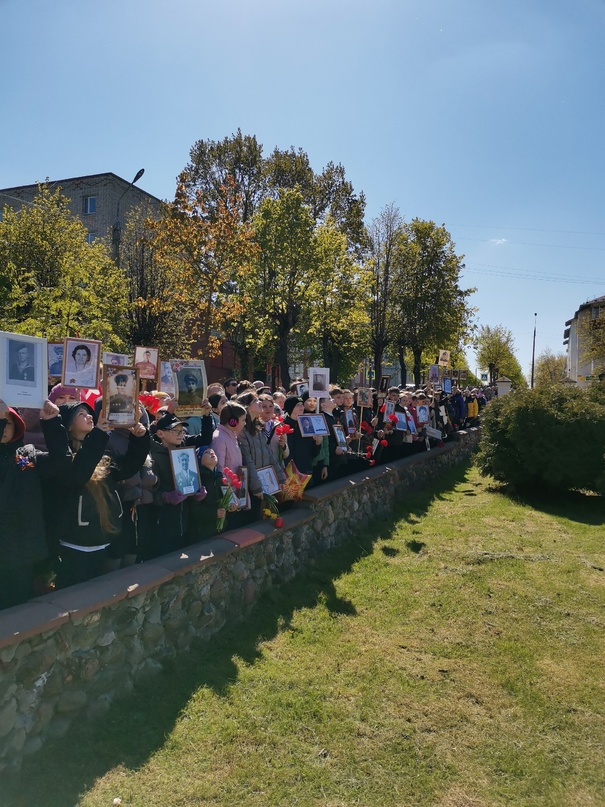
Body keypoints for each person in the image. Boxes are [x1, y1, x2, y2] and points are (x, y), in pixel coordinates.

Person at [44, 401, 150, 589]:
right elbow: (78, 474)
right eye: (82, 414)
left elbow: (126, 468)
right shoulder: (62, 459)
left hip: (103, 543)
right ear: (68, 426)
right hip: (74, 548)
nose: (90, 416)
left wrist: (139, 440)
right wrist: (99, 435)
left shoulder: (101, 450)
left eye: (89, 413)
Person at [0, 398, 67, 609]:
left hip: (21, 552)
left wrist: (51, 422)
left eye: (8, 422)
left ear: (18, 426)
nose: (4, 427)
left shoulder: (26, 456)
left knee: (17, 608)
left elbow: (60, 461)